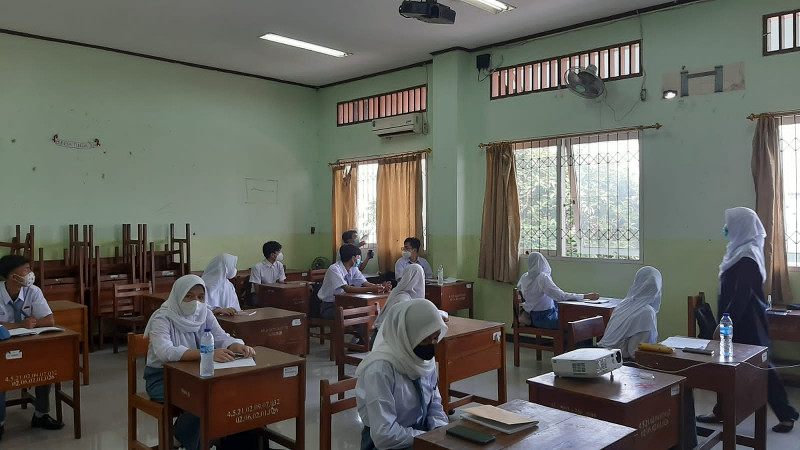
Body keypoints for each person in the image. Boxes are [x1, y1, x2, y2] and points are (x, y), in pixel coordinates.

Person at [696, 207, 799, 433]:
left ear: (741, 225)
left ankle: (786, 414)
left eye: (729, 224)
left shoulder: (748, 255)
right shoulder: (739, 251)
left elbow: (742, 295)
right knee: (725, 366)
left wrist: (723, 324)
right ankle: (721, 411)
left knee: (763, 369)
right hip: (737, 320)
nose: (726, 229)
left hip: (746, 324)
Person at [143, 275, 256, 450]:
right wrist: (206, 354)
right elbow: (165, 351)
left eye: (200, 297)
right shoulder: (162, 317)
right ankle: (181, 441)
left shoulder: (205, 313)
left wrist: (237, 346)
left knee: (231, 393)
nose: (196, 301)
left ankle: (183, 441)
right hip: (162, 378)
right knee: (205, 398)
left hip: (196, 374)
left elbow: (220, 337)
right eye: (189, 296)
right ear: (178, 295)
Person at [355, 299, 449, 449]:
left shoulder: (422, 361)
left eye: (435, 338)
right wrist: (427, 439)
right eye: (425, 339)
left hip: (420, 437)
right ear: (407, 336)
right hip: (388, 445)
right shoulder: (380, 370)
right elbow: (384, 435)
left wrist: (440, 432)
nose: (431, 344)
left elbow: (434, 406)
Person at [0, 255, 64, 439]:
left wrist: (29, 325)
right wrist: (21, 324)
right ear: (13, 276)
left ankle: (41, 415)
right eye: (26, 269)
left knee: (46, 367)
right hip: (3, 348)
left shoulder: (33, 291)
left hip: (29, 345)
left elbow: (49, 320)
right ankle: (0, 423)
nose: (30, 273)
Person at [516, 252, 600, 329]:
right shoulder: (542, 277)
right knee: (579, 326)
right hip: (545, 318)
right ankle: (571, 345)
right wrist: (586, 296)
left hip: (532, 317)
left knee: (574, 319)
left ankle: (565, 344)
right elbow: (561, 296)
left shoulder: (525, 277)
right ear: (543, 262)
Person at [371, 265, 446, 347]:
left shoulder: (408, 295)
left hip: (389, 339)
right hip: (382, 341)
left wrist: (439, 314)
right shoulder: (402, 298)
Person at [598, 267, 662, 359]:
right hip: (619, 362)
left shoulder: (624, 304)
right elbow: (636, 353)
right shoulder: (646, 312)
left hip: (604, 355)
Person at [317, 244, 390, 320]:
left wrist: (380, 287)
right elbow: (347, 289)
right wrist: (373, 289)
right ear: (353, 258)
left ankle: (369, 331)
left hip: (346, 303)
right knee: (362, 315)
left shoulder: (353, 268)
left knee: (367, 312)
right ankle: (365, 332)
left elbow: (365, 284)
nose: (359, 259)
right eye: (358, 257)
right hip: (330, 306)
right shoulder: (334, 269)